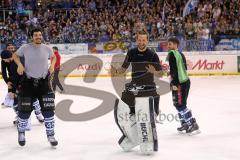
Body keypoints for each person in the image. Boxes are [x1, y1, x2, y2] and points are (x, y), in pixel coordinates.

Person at [111, 30, 163, 154]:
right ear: (136, 40)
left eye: (144, 40)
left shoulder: (152, 55)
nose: (141, 42)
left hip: (148, 88)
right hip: (134, 87)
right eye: (139, 40)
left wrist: (153, 71)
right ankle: (133, 136)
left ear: (147, 41)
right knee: (122, 110)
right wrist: (116, 72)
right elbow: (123, 69)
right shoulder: (131, 52)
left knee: (147, 116)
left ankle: (146, 140)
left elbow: (160, 73)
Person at [13, 28, 58, 147]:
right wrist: (19, 64)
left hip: (44, 83)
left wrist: (52, 65)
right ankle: (21, 133)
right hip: (28, 83)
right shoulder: (25, 47)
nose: (38, 37)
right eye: (36, 35)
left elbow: (54, 57)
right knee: (24, 112)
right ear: (32, 37)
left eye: (40, 35)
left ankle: (51, 135)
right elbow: (15, 55)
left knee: (49, 111)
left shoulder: (47, 48)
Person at [1, 43, 44, 125]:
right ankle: (20, 116)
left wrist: (14, 90)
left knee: (33, 98)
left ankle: (39, 115)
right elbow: (4, 73)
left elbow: (23, 75)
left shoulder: (18, 60)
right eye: (8, 48)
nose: (10, 49)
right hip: (14, 81)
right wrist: (9, 84)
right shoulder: (5, 59)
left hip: (26, 80)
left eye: (12, 48)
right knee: (14, 100)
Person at [166, 37, 200, 134]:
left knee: (180, 105)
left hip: (179, 83)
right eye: (168, 44)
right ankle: (184, 123)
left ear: (176, 45)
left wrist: (174, 83)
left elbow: (175, 70)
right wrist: (171, 72)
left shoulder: (172, 54)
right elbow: (183, 67)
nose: (168, 46)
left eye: (170, 44)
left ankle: (192, 124)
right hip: (185, 82)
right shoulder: (180, 54)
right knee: (179, 104)